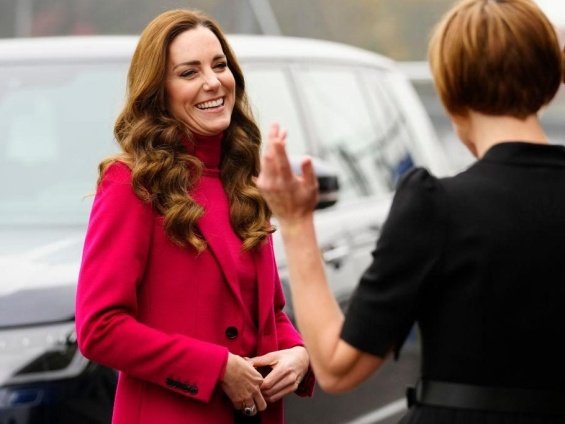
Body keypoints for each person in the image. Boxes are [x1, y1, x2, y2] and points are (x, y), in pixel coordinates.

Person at [257, 0, 565, 422]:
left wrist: (294, 222)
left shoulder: (437, 206)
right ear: (548, 80)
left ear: (451, 91)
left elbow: (334, 365)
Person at [75, 9, 313, 424]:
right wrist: (215, 367)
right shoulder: (130, 183)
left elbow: (269, 311)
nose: (212, 82)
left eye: (219, 65)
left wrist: (298, 353)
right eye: (189, 72)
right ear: (159, 92)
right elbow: (100, 329)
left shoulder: (242, 179)